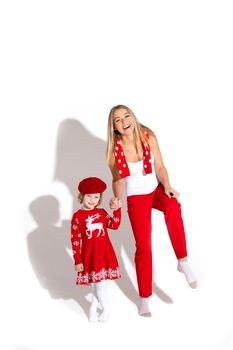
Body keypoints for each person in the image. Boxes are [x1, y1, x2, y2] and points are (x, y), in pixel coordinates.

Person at [106, 104, 197, 317]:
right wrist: (117, 200)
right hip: (136, 198)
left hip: (155, 189)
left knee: (173, 205)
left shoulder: (148, 136)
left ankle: (182, 262)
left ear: (132, 117)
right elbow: (117, 180)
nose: (124, 121)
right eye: (118, 120)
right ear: (114, 127)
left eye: (126, 116)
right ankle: (144, 297)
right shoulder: (114, 150)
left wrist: (167, 186)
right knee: (143, 247)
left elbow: (161, 167)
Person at [70, 177, 122, 322]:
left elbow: (114, 225)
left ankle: (106, 310)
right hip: (90, 255)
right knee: (97, 285)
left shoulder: (101, 213)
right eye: (89, 196)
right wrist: (78, 260)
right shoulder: (77, 217)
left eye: (96, 197)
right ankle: (93, 309)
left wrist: (116, 210)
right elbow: (75, 240)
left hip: (104, 253)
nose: (92, 200)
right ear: (82, 196)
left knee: (99, 285)